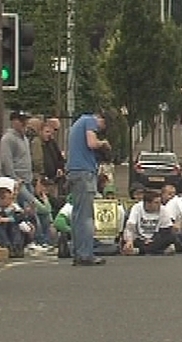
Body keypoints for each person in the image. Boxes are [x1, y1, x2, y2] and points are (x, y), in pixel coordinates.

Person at [66, 110, 109, 266]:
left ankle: (78, 252)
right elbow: (91, 143)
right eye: (102, 127)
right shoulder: (90, 121)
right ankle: (86, 254)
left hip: (74, 171)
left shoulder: (77, 123)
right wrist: (102, 143)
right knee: (86, 215)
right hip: (84, 172)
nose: (100, 130)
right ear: (101, 120)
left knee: (77, 215)